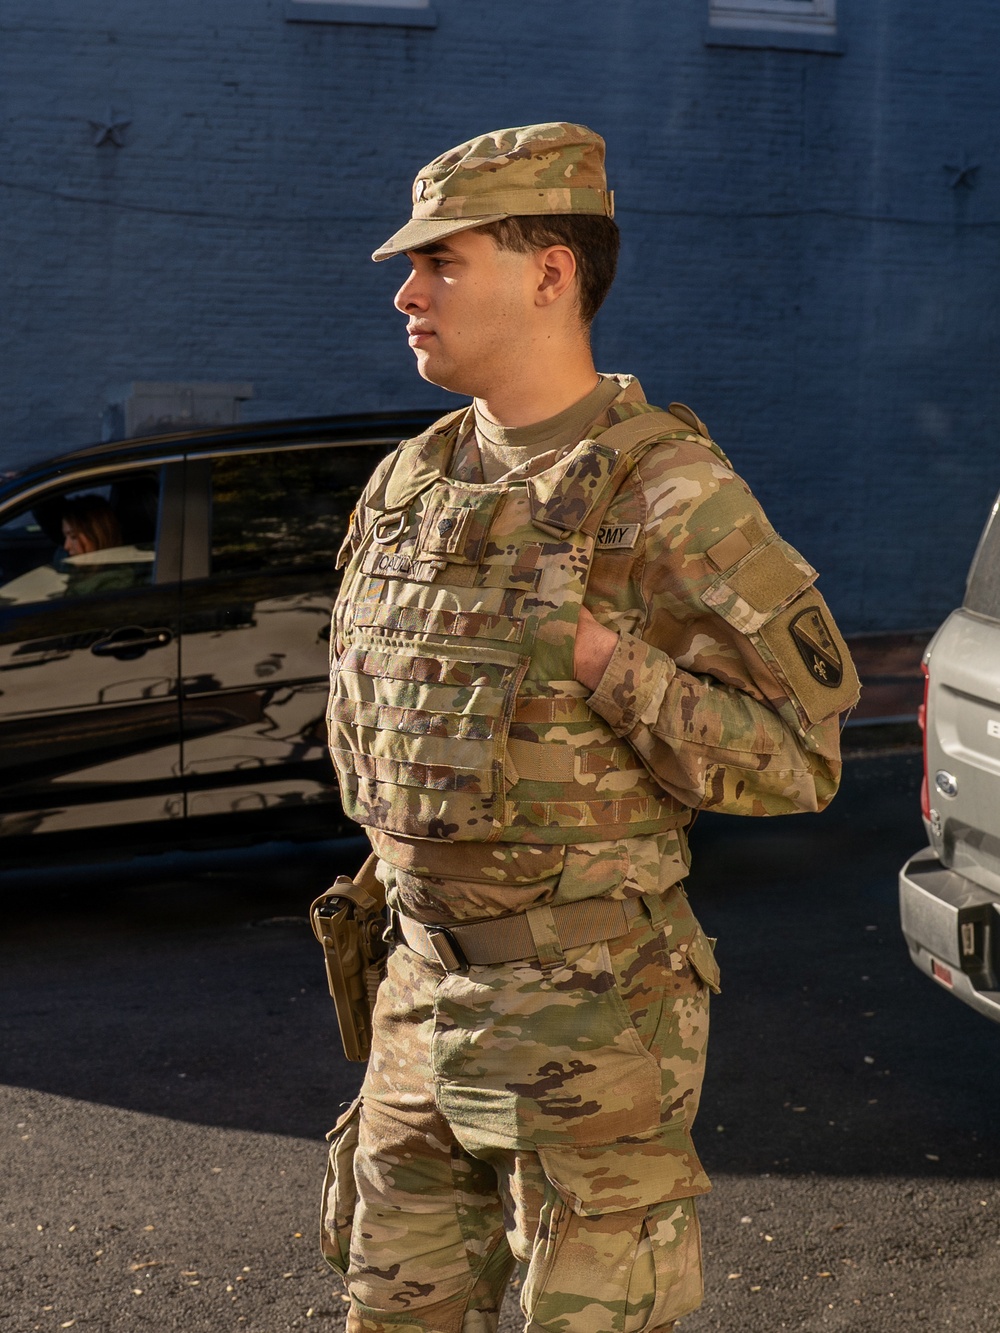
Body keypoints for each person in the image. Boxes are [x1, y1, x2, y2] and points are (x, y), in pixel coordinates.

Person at [321, 122, 860, 1333]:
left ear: (550, 272)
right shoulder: (411, 482)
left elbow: (801, 756)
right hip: (417, 1004)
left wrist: (606, 660)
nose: (406, 291)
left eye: (441, 263)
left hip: (589, 1019)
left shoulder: (668, 491)